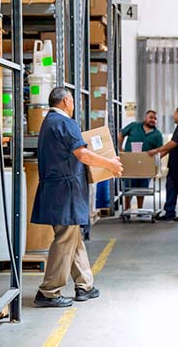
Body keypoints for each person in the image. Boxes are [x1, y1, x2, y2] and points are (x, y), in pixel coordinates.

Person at [31, 87, 123, 308]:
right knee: (65, 240)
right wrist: (109, 164)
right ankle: (48, 291)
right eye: (72, 102)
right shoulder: (64, 123)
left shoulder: (48, 122)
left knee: (73, 238)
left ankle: (85, 285)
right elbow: (82, 153)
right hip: (66, 192)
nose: (73, 106)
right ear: (66, 101)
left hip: (57, 190)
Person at [148, 107, 178, 222]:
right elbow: (172, 147)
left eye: (174, 114)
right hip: (175, 165)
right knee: (171, 189)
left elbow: (173, 144)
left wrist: (156, 151)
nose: (173, 116)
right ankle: (169, 212)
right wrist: (157, 158)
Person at [117, 110, 164, 210]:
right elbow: (121, 134)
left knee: (142, 189)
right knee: (128, 188)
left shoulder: (157, 134)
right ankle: (126, 209)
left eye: (155, 118)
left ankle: (140, 209)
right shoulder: (134, 126)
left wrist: (154, 163)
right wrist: (120, 148)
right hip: (130, 164)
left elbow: (161, 151)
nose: (153, 120)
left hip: (145, 167)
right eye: (151, 117)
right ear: (145, 118)